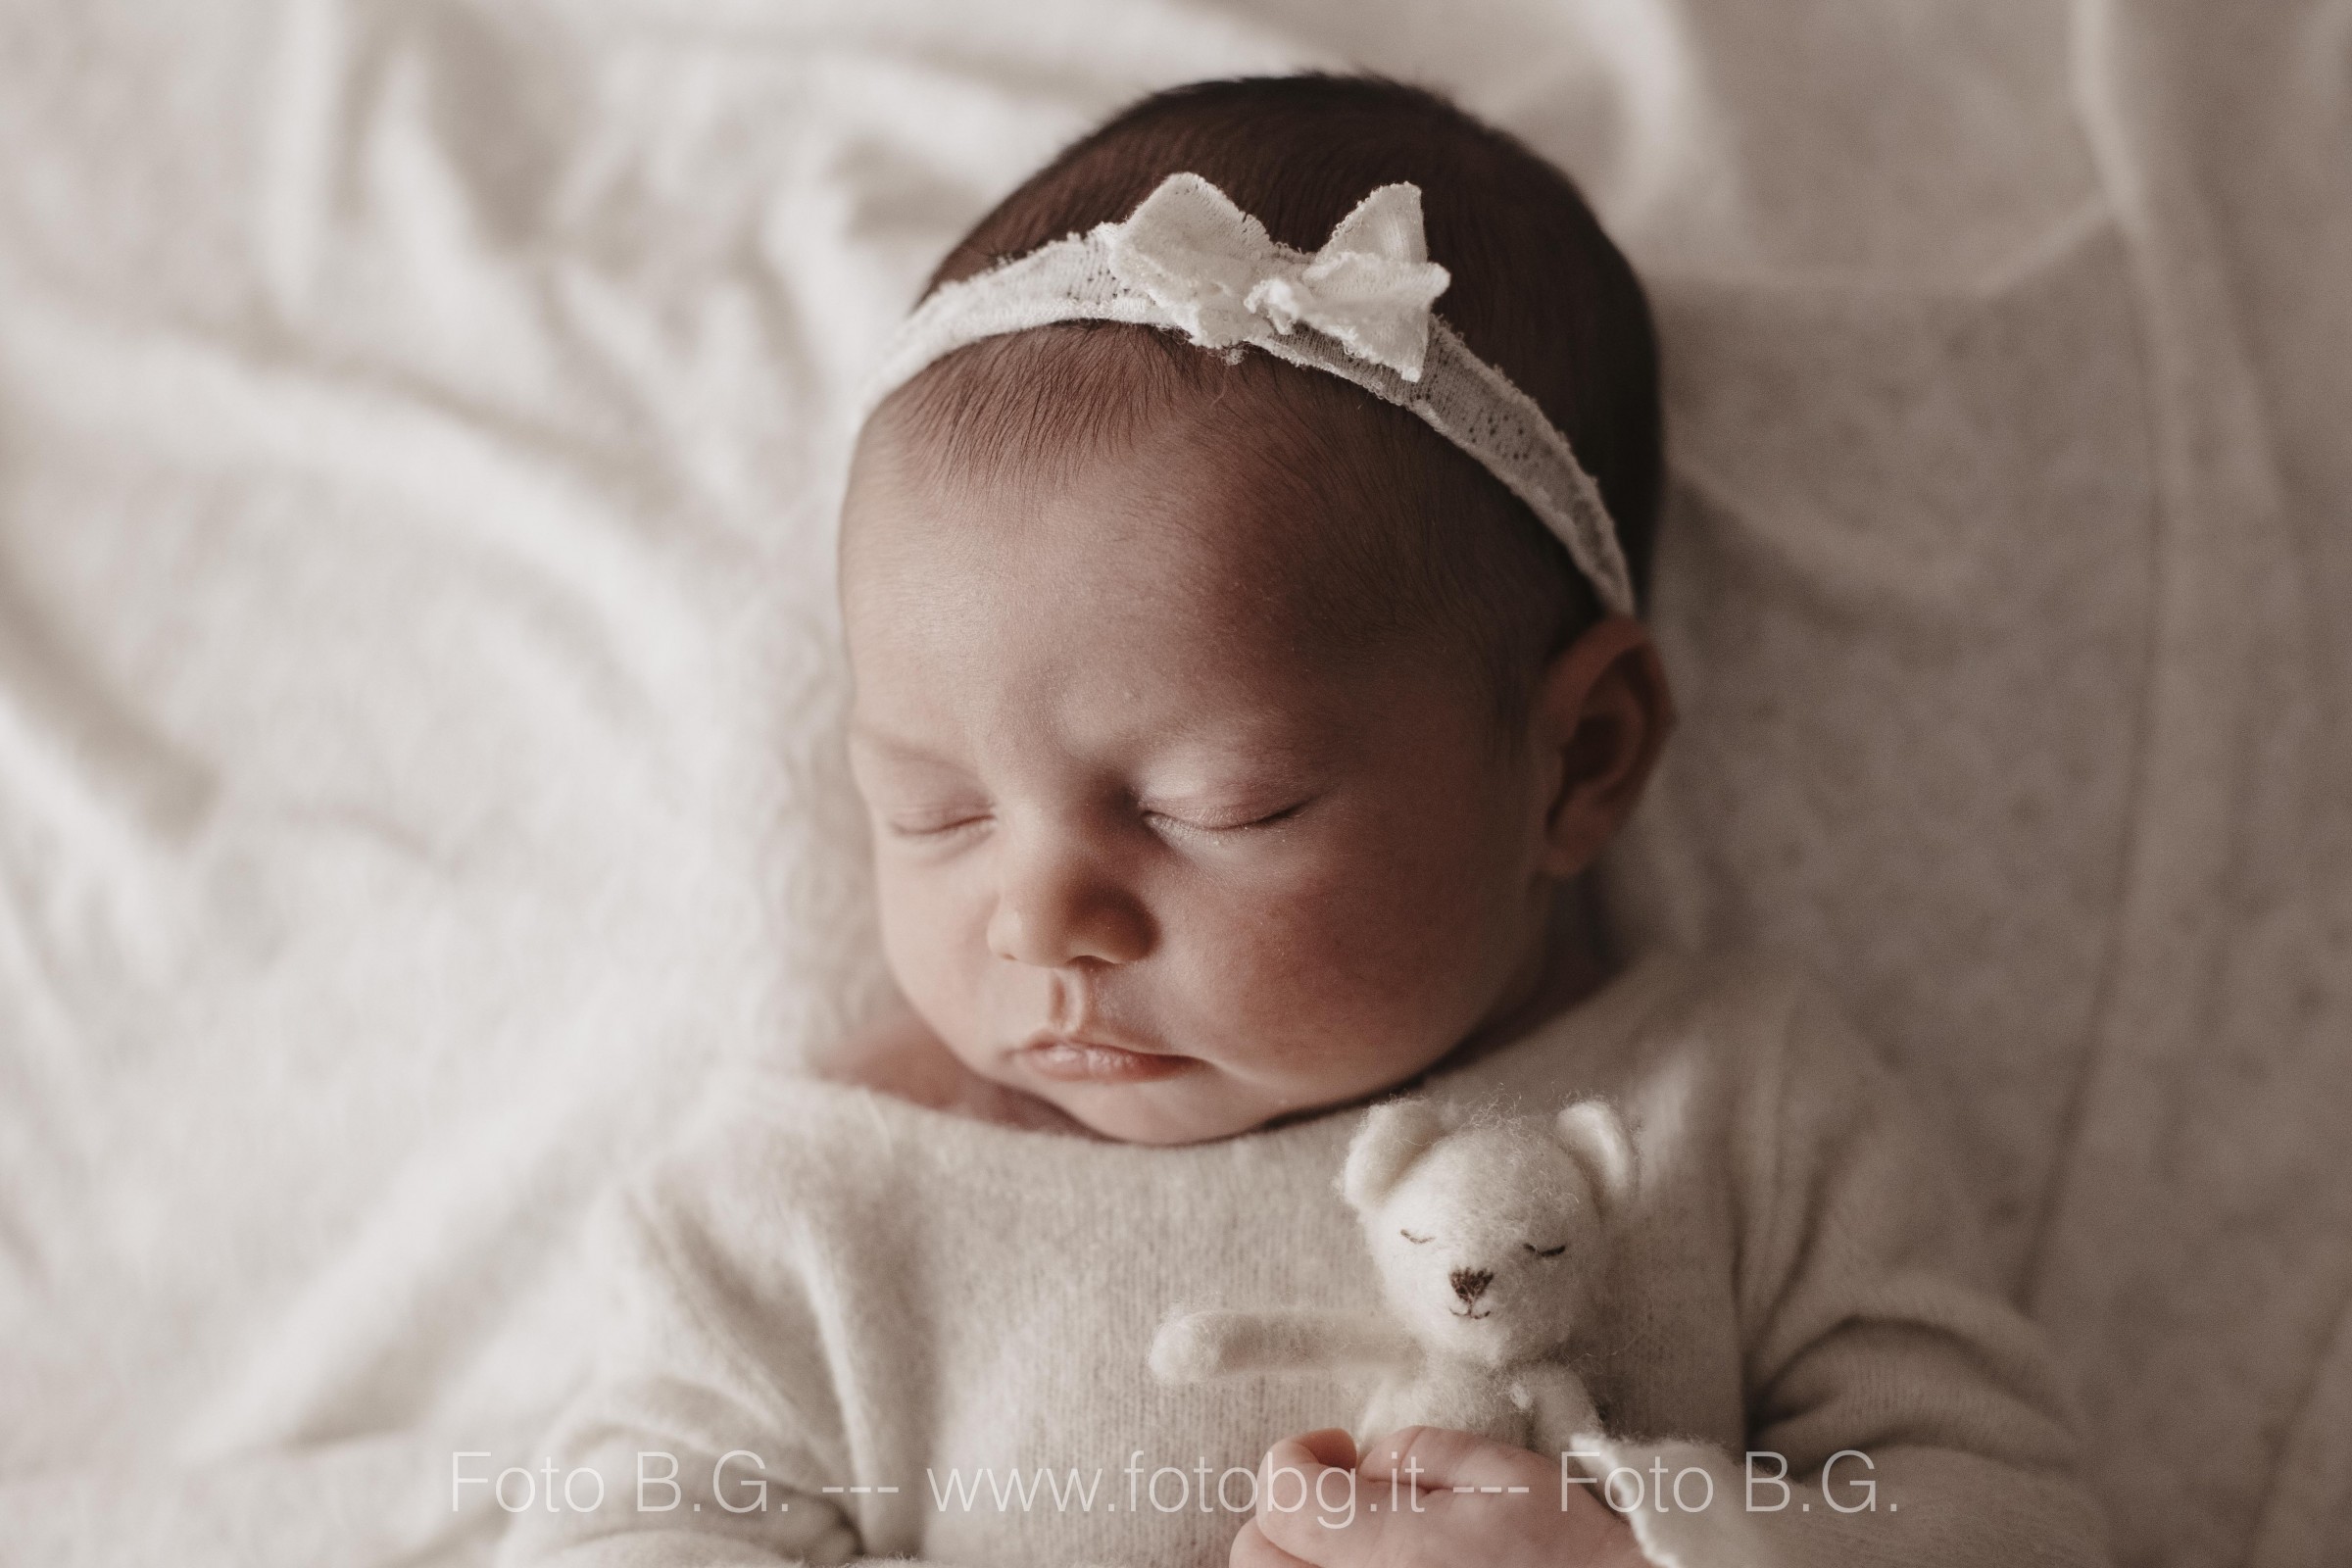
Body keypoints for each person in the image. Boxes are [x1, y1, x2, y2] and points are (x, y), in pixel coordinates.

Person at [499, 75, 2108, 1567]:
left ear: (1578, 761)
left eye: (1210, 805)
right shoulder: (826, 1210)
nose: (1039, 917)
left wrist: (1636, 1551)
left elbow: (2011, 1520)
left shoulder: (1729, 1113)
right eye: (936, 811)